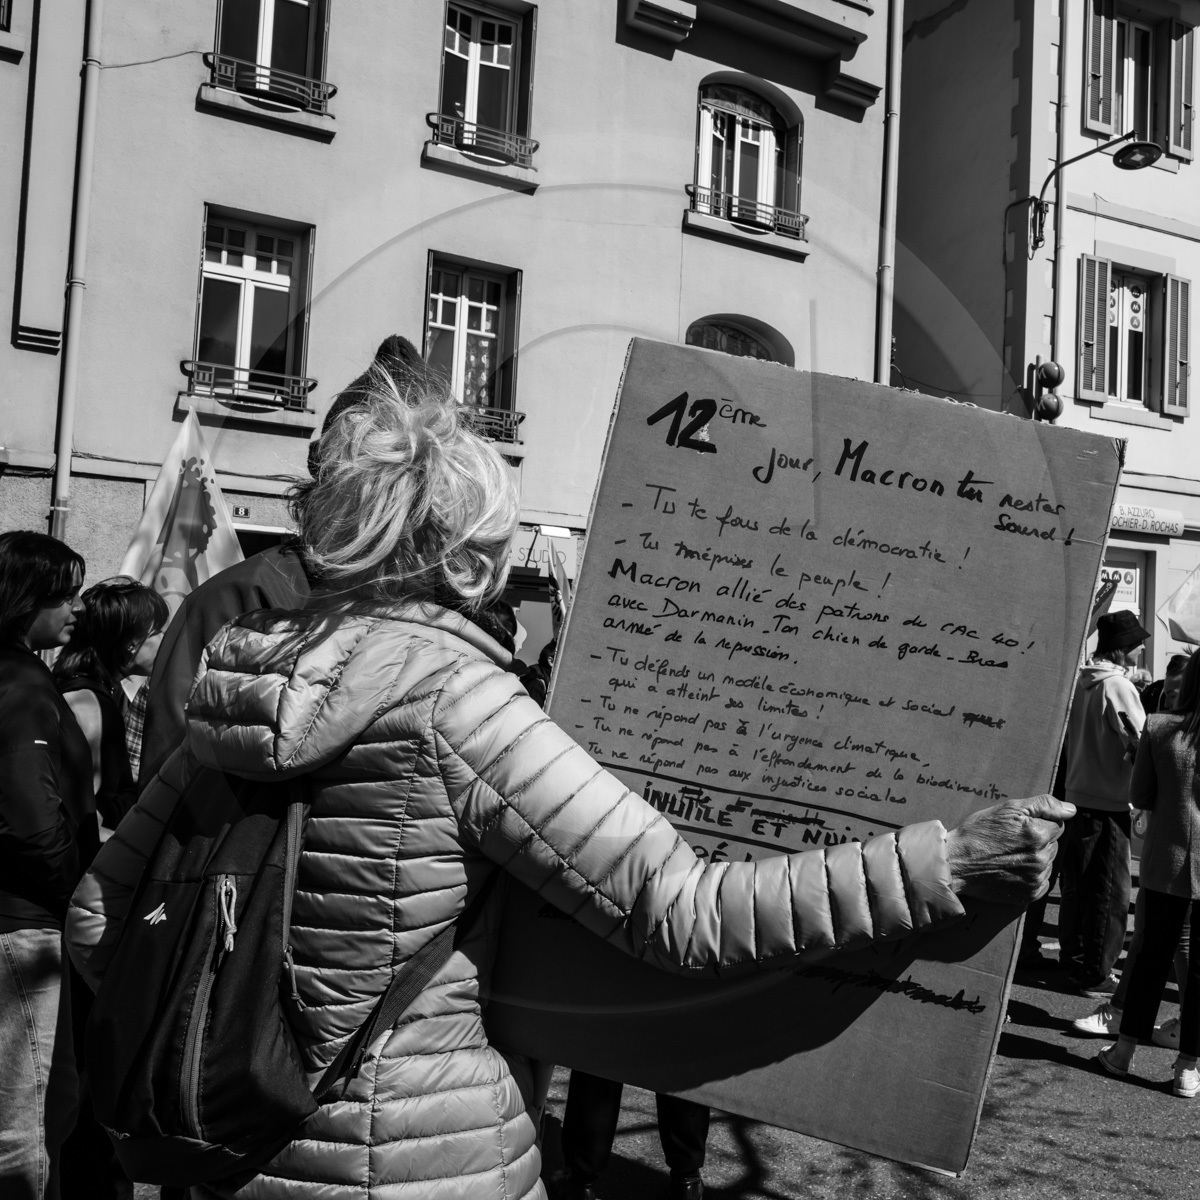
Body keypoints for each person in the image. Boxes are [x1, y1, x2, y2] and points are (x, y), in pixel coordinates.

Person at [68, 370, 1071, 1200]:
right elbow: (683, 914)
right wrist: (947, 860)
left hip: (223, 1158)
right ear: (462, 564)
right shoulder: (456, 700)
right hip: (418, 1168)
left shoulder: (237, 676)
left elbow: (95, 917)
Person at [138, 335, 428, 786]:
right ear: (334, 473)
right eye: (389, 475)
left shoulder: (440, 615)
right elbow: (166, 781)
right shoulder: (240, 599)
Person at [0, 530, 93, 1198]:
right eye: (63, 594)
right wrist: (76, 894)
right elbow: (32, 819)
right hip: (25, 926)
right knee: (23, 1123)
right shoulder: (22, 684)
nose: (76, 608)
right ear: (24, 598)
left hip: (19, 918)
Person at [1072, 652, 1192, 1040]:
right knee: (1176, 946)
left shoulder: (1163, 729)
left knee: (1155, 942)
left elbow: (1142, 793)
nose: (1169, 697)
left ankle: (1126, 1026)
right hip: (1177, 855)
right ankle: (1184, 1049)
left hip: (1171, 854)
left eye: (1177, 690)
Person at [1096, 651, 1200, 1098]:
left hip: (1165, 863)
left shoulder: (1159, 728)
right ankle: (1188, 1068)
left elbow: (1141, 795)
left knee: (1149, 960)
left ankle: (1122, 1053)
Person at [1058, 610, 1148, 996]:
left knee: (1078, 887)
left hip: (1077, 795)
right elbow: (1139, 745)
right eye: (1137, 646)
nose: (1141, 651)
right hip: (1109, 801)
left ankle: (1076, 961)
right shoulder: (1117, 687)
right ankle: (1094, 973)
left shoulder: (1081, 681)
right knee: (1110, 893)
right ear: (1123, 650)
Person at [53, 577, 168, 832]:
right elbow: (88, 811)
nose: (166, 640)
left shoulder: (87, 690)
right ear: (131, 643)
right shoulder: (90, 704)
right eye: (158, 632)